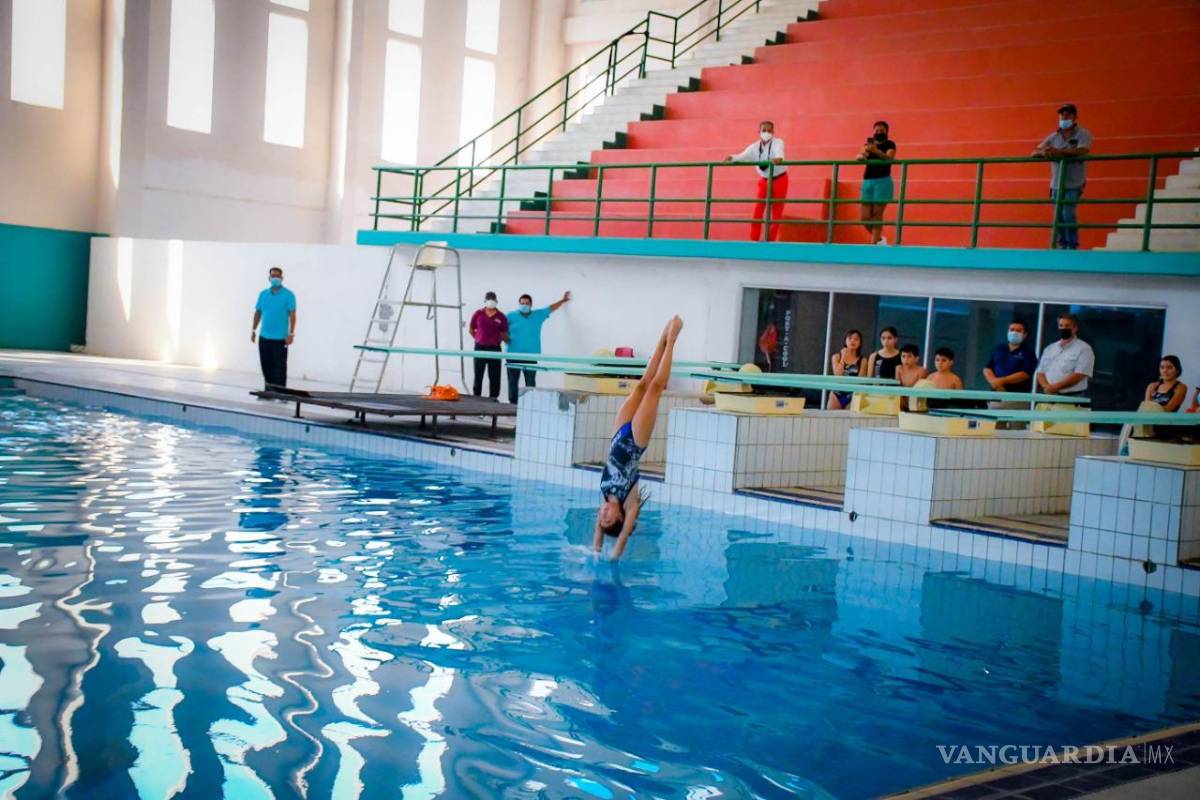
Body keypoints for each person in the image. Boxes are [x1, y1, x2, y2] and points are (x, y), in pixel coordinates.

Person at [593, 315, 684, 560]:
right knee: (655, 389)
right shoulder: (629, 504)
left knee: (642, 384)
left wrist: (594, 553)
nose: (603, 514)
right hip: (635, 441)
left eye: (601, 517)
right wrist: (613, 558)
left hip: (618, 433)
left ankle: (662, 339)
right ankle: (673, 340)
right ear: (620, 518)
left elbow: (598, 538)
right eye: (608, 517)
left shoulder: (604, 496)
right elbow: (621, 539)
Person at [1031, 103, 1092, 250]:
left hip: (1074, 182)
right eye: (1062, 114)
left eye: (1068, 114)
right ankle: (1061, 244)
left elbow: (1083, 150)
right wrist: (1044, 153)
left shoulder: (1083, 134)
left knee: (1068, 213)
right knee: (1058, 215)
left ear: (1075, 117)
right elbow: (1034, 151)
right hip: (1056, 183)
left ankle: (1072, 245)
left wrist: (1058, 152)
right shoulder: (1053, 136)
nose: (1064, 117)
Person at [724, 121, 788, 242]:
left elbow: (780, 153)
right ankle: (754, 240)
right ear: (759, 132)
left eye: (769, 130)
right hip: (764, 180)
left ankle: (771, 241)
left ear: (773, 132)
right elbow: (741, 156)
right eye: (764, 130)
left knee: (777, 212)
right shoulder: (753, 147)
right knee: (758, 210)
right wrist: (731, 157)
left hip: (780, 179)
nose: (767, 133)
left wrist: (779, 159)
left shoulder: (778, 142)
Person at [505, 290, 571, 404]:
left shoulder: (538, 315)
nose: (524, 305)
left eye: (527, 303)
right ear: (518, 304)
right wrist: (505, 338)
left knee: (530, 382)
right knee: (512, 381)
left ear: (531, 305)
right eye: (522, 303)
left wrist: (563, 300)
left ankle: (530, 403)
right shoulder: (510, 316)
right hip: (513, 354)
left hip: (530, 355)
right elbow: (501, 329)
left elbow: (551, 308)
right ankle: (513, 404)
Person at [250, 266, 296, 393]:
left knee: (280, 367)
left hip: (280, 338)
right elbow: (258, 312)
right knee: (266, 365)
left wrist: (291, 334)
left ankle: (281, 393)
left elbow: (292, 315)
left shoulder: (289, 295)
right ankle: (268, 391)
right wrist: (253, 330)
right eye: (273, 276)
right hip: (264, 337)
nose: (275, 278)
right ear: (269, 278)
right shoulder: (263, 294)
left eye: (278, 276)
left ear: (282, 278)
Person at [1035, 313, 1094, 399]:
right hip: (1048, 396)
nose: (1063, 328)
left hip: (1072, 398)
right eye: (1061, 325)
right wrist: (1046, 387)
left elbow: (1079, 375)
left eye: (1067, 326)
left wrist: (1055, 387)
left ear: (1075, 328)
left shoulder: (1084, 349)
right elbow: (1040, 372)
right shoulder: (1050, 348)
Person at [857, 121, 897, 245]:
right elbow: (861, 154)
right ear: (873, 132)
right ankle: (879, 240)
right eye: (877, 130)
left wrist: (876, 151)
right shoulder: (868, 145)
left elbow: (890, 158)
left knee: (876, 215)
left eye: (882, 131)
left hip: (883, 181)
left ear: (886, 132)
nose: (879, 132)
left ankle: (874, 245)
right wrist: (861, 156)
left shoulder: (890, 144)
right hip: (868, 181)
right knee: (864, 218)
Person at [468, 291, 509, 399]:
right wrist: (478, 338)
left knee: (494, 376)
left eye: (493, 299)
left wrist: (504, 339)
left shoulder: (502, 317)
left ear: (496, 301)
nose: (491, 301)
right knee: (478, 375)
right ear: (485, 301)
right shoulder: (478, 313)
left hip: (495, 349)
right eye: (488, 299)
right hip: (479, 348)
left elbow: (504, 333)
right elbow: (471, 329)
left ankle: (493, 400)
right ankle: (476, 399)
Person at [983, 320, 1039, 394]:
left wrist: (1001, 381)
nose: (1014, 333)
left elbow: (1025, 374)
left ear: (1025, 334)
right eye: (1012, 330)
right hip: (995, 394)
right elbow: (987, 368)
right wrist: (995, 383)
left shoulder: (1028, 352)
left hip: (1017, 396)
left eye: (1018, 331)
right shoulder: (999, 349)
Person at [828, 329, 865, 410]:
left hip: (852, 393)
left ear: (860, 343)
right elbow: (837, 375)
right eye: (850, 338)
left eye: (856, 339)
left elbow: (860, 380)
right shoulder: (836, 357)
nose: (853, 341)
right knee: (831, 418)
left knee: (849, 419)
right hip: (837, 393)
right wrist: (843, 358)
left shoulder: (863, 360)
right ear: (845, 341)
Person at [896, 344, 927, 411]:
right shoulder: (899, 369)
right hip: (901, 402)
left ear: (916, 358)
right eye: (903, 356)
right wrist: (901, 402)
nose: (906, 359)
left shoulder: (921, 371)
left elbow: (919, 390)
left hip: (916, 402)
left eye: (909, 356)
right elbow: (897, 387)